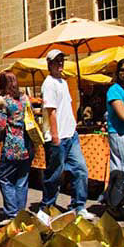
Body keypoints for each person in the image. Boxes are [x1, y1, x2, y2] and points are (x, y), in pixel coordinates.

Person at [39, 49, 94, 220]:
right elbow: (51, 111)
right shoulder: (49, 84)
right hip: (58, 137)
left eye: (62, 60)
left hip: (70, 135)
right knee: (54, 175)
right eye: (57, 61)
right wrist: (55, 136)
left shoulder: (63, 82)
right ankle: (46, 207)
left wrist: (74, 126)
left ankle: (78, 205)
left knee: (81, 170)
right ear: (49, 64)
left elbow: (68, 108)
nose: (60, 63)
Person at [101, 58, 124, 222]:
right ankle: (112, 202)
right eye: (122, 70)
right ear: (118, 72)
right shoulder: (114, 91)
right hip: (119, 134)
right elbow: (122, 115)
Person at [0, 71, 34, 226]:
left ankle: (12, 213)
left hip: (12, 146)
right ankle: (20, 212)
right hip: (26, 145)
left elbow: (1, 125)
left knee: (4, 178)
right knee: (22, 180)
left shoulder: (4, 101)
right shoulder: (25, 99)